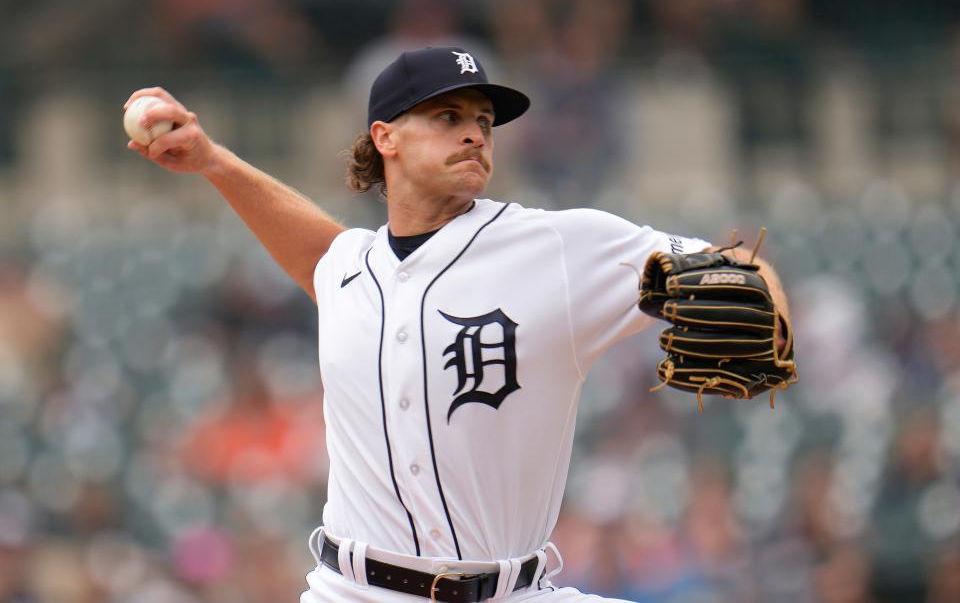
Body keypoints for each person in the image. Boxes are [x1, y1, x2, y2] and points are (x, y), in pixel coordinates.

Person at [125, 46, 790, 602]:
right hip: (354, 592)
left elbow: (734, 267)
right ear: (384, 137)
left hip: (512, 591)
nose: (474, 132)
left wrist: (768, 310)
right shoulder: (350, 269)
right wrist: (212, 161)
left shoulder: (557, 247)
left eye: (483, 120)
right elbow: (320, 254)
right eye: (447, 116)